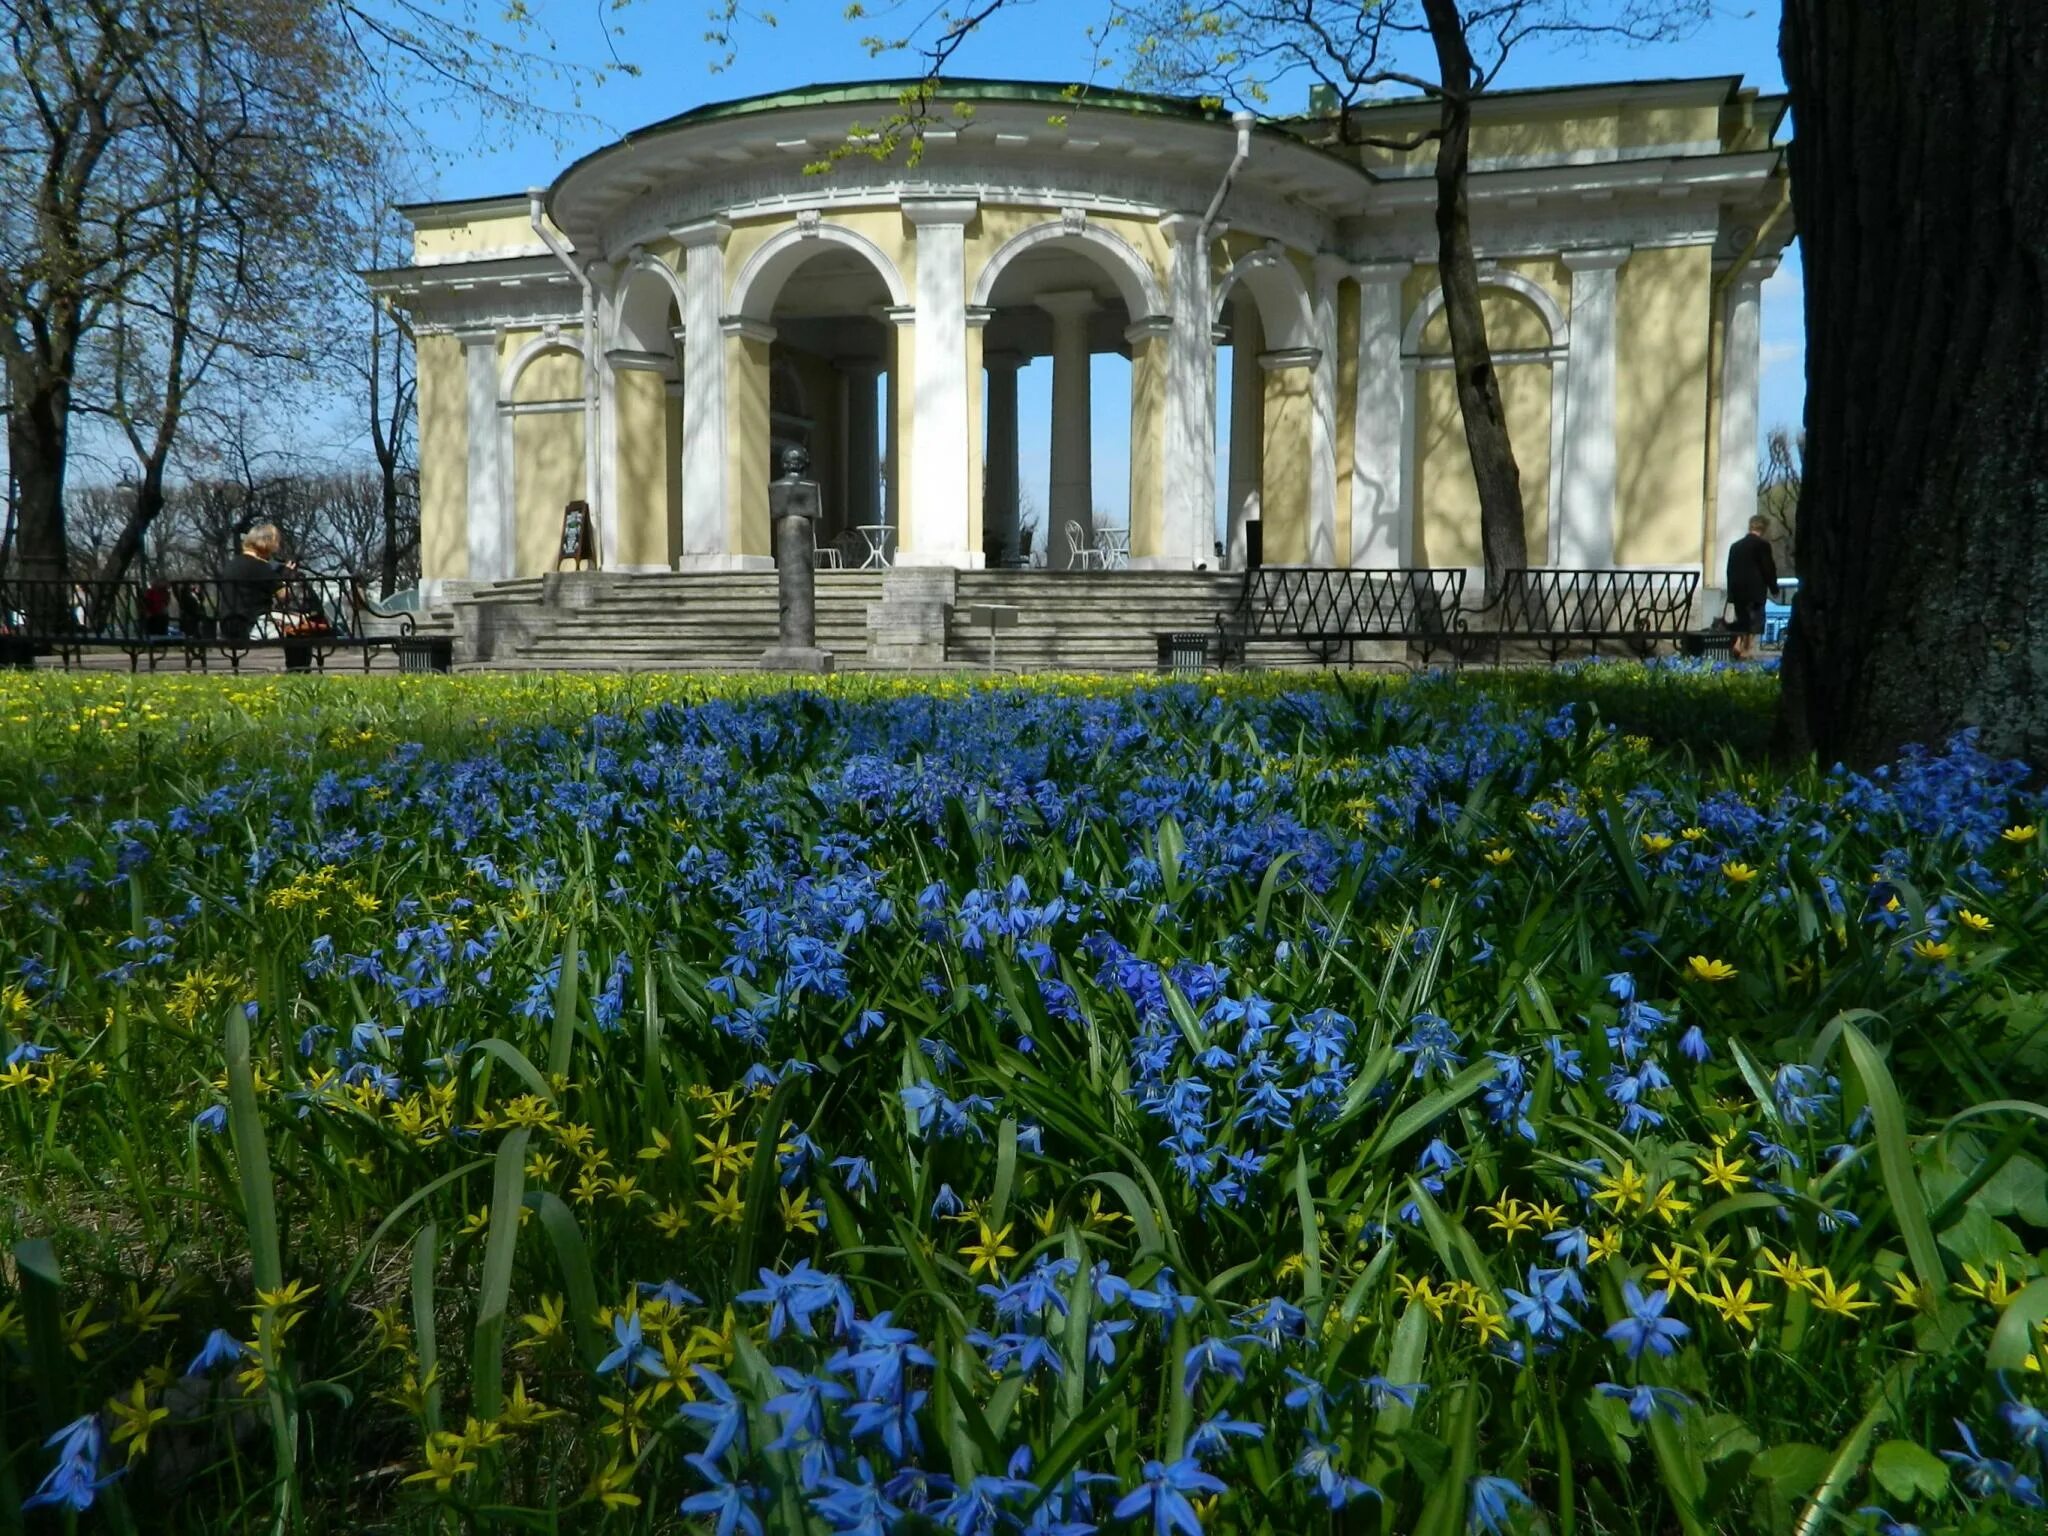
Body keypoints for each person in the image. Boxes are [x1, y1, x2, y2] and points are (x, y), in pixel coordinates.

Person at [220, 523, 313, 672]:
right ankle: (298, 671)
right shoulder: (260, 566)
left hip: (228, 624)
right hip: (250, 625)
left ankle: (297, 670)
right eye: (276, 542)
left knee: (295, 624)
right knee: (303, 627)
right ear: (267, 543)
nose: (277, 547)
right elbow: (285, 597)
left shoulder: (232, 564)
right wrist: (287, 576)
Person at [1724, 515, 1780, 661]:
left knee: (1742, 618)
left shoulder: (1735, 546)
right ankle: (1746, 650)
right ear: (1764, 528)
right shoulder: (1762, 545)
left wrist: (1731, 592)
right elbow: (1767, 568)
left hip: (1737, 590)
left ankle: (1737, 643)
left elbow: (1729, 570)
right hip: (1755, 590)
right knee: (1755, 621)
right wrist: (1774, 587)